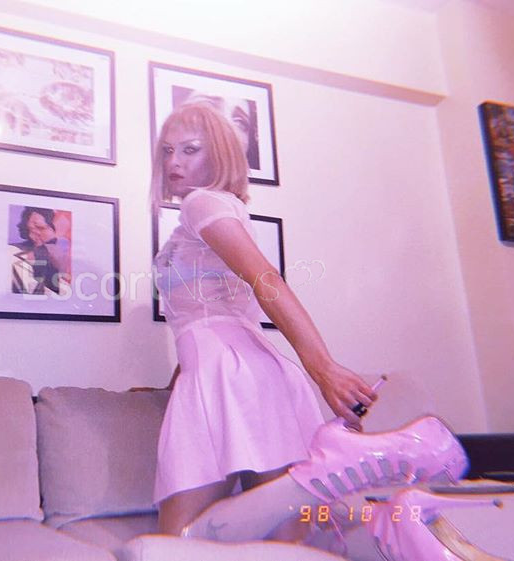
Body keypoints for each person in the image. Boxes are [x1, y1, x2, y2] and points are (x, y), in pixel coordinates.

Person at [149, 102, 378, 540]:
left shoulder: (201, 202)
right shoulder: (211, 211)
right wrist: (179, 381)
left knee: (176, 542)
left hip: (232, 375)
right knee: (285, 535)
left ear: (219, 155)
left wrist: (323, 368)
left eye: (190, 149)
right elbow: (210, 315)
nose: (174, 162)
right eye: (168, 150)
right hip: (231, 374)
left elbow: (265, 280)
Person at [11, 207, 70, 295]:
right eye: (30, 230)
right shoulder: (15, 249)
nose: (35, 234)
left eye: (41, 228)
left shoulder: (65, 252)